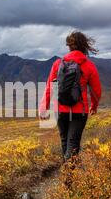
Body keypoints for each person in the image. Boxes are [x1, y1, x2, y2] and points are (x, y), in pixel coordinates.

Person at [39, 31, 102, 160]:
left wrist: (43, 108)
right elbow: (96, 91)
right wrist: (94, 106)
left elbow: (50, 87)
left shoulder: (58, 64)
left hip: (60, 110)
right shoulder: (89, 66)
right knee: (73, 143)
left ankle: (68, 174)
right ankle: (69, 177)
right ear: (84, 45)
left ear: (69, 46)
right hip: (80, 111)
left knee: (65, 141)